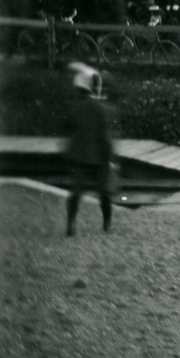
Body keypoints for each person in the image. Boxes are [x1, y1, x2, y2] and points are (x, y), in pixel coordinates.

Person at [63, 62, 117, 236]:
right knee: (104, 192)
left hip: (78, 155)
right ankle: (107, 223)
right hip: (98, 156)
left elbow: (66, 127)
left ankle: (71, 224)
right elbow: (105, 136)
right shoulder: (100, 108)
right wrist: (109, 157)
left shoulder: (73, 107)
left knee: (76, 192)